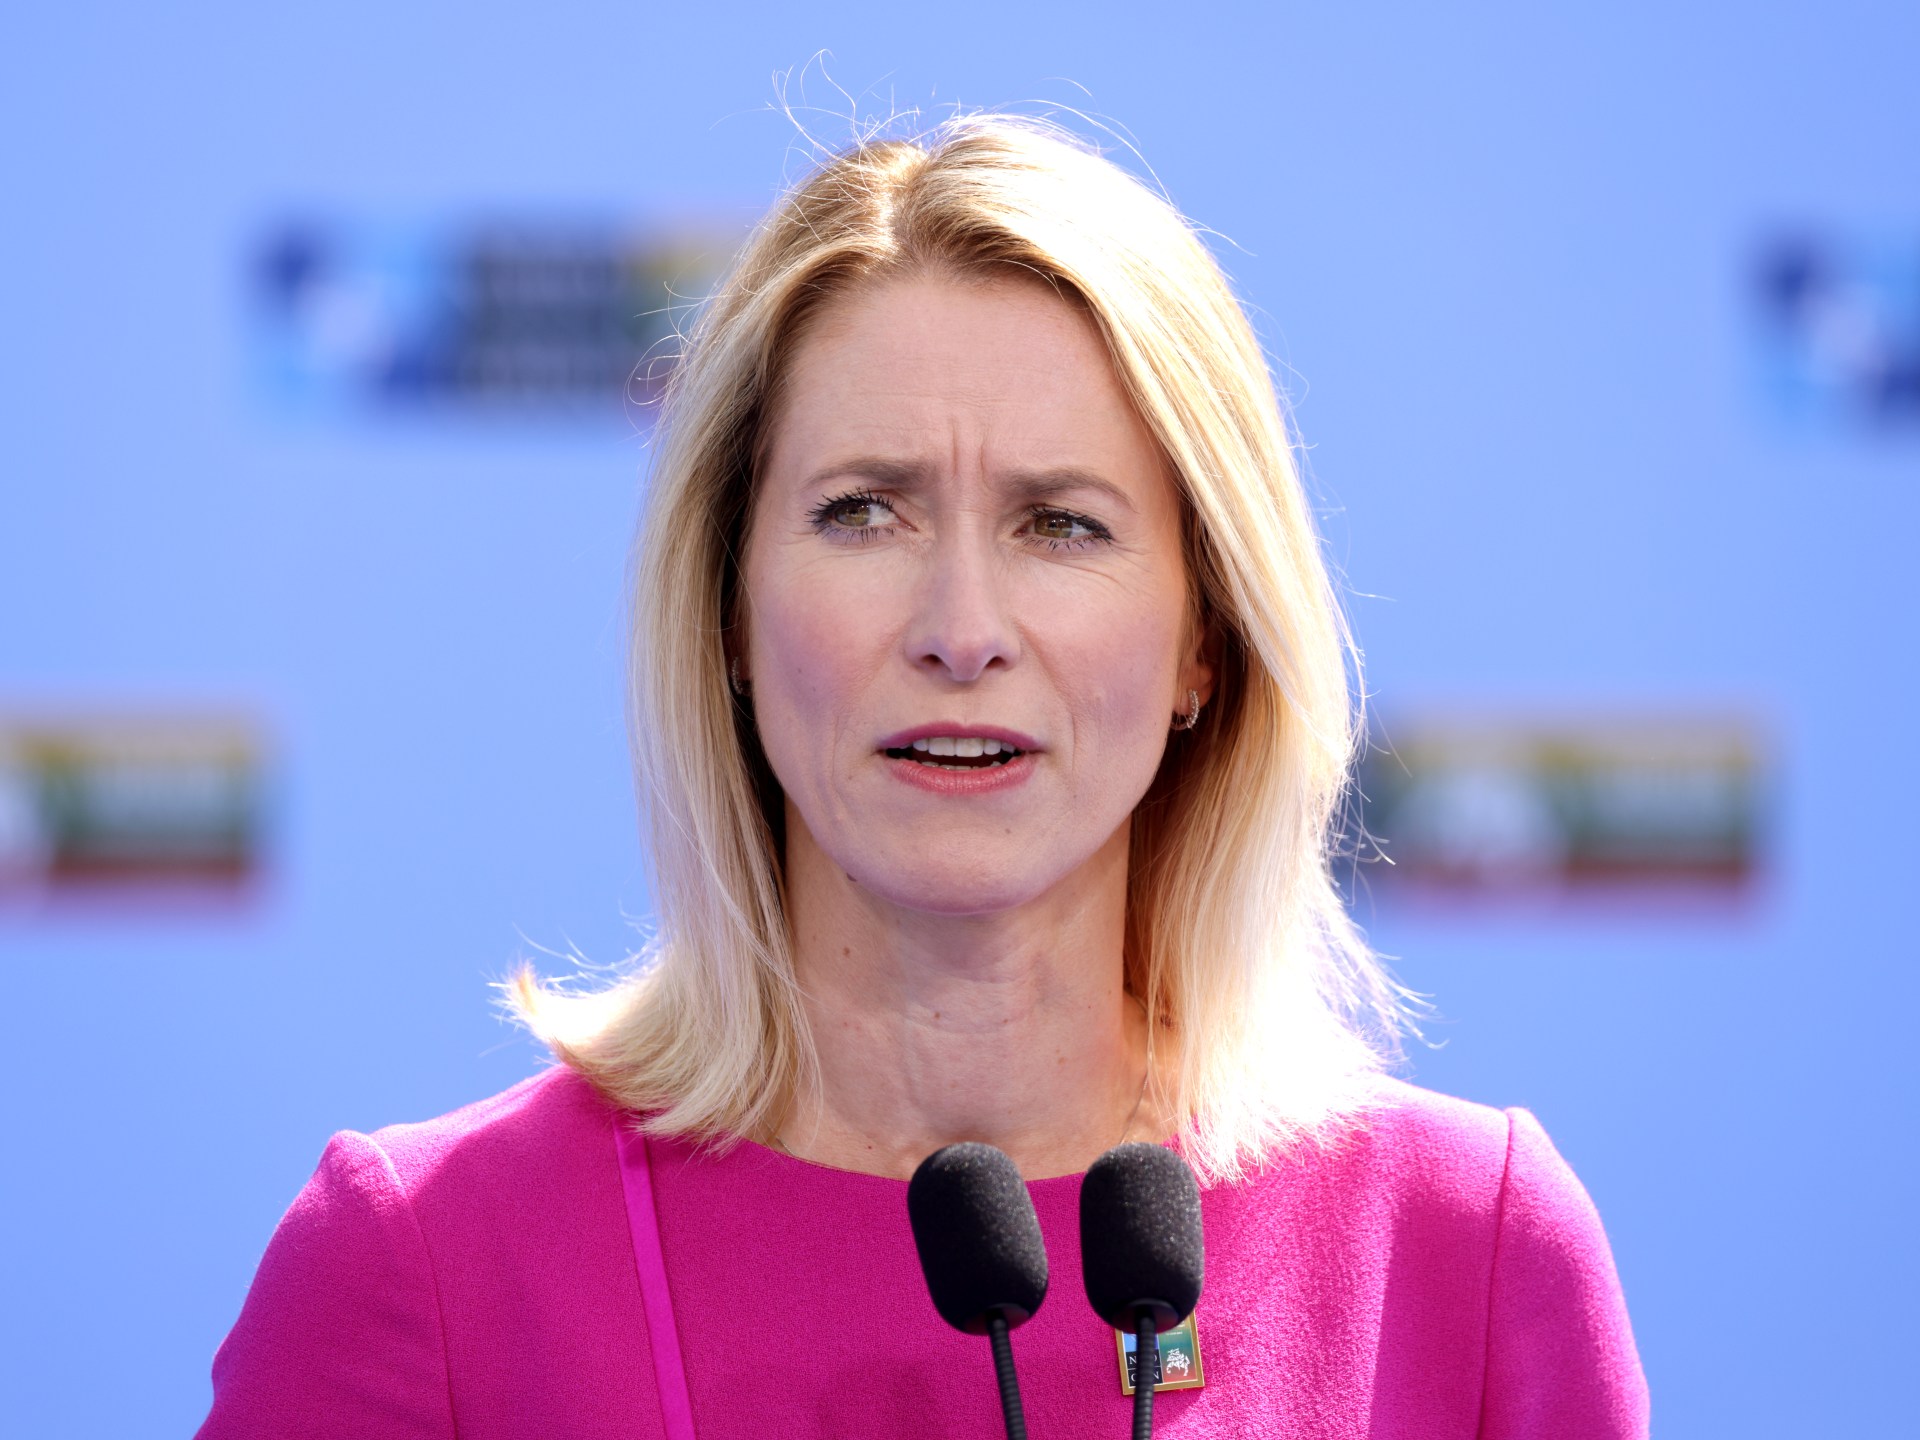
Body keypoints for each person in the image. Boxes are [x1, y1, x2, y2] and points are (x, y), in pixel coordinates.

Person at [198, 116, 1649, 1438]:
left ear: (1205, 637)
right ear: (729, 611)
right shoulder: (429, 1268)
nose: (961, 630)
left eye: (1060, 524)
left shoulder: (1466, 1252)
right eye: (864, 512)